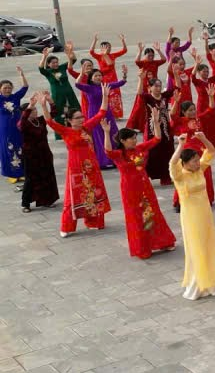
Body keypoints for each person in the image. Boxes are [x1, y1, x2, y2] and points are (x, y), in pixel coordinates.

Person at [105, 128, 176, 259]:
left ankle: (163, 242)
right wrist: (106, 132)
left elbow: (157, 139)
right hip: (130, 189)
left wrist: (155, 123)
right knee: (136, 217)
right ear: (123, 141)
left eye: (135, 138)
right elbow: (108, 151)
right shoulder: (119, 154)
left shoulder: (140, 148)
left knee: (152, 213)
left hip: (145, 186)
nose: (134, 141)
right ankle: (143, 248)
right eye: (131, 138)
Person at [44, 102, 109, 236]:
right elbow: (49, 121)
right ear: (69, 120)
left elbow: (101, 113)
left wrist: (105, 96)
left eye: (82, 117)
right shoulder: (66, 131)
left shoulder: (86, 128)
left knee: (93, 193)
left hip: (91, 167)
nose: (81, 120)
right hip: (76, 169)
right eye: (77, 118)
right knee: (72, 197)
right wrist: (44, 105)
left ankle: (93, 222)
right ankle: (66, 227)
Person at [171, 133, 215, 299]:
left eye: (197, 160)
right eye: (193, 161)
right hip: (191, 217)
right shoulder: (179, 176)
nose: (197, 163)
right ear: (185, 163)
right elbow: (172, 163)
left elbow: (211, 151)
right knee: (196, 247)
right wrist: (180, 145)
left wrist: (203, 138)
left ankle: (212, 281)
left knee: (208, 244)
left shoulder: (199, 170)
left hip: (205, 213)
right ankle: (198, 283)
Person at [19, 93, 58, 212]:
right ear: (25, 113)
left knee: (47, 176)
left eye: (35, 109)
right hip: (30, 155)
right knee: (30, 179)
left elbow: (53, 114)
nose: (34, 112)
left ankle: (46, 200)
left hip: (44, 153)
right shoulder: (23, 124)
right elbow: (22, 124)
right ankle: (25, 204)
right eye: (32, 111)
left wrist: (51, 101)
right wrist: (29, 106)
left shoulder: (40, 120)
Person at [0, 69, 28, 184]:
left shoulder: (15, 97)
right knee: (7, 148)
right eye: (5, 88)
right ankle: (10, 173)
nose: (7, 90)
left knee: (19, 147)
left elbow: (25, 87)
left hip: (17, 127)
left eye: (9, 87)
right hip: (5, 128)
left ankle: (20, 173)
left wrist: (22, 75)